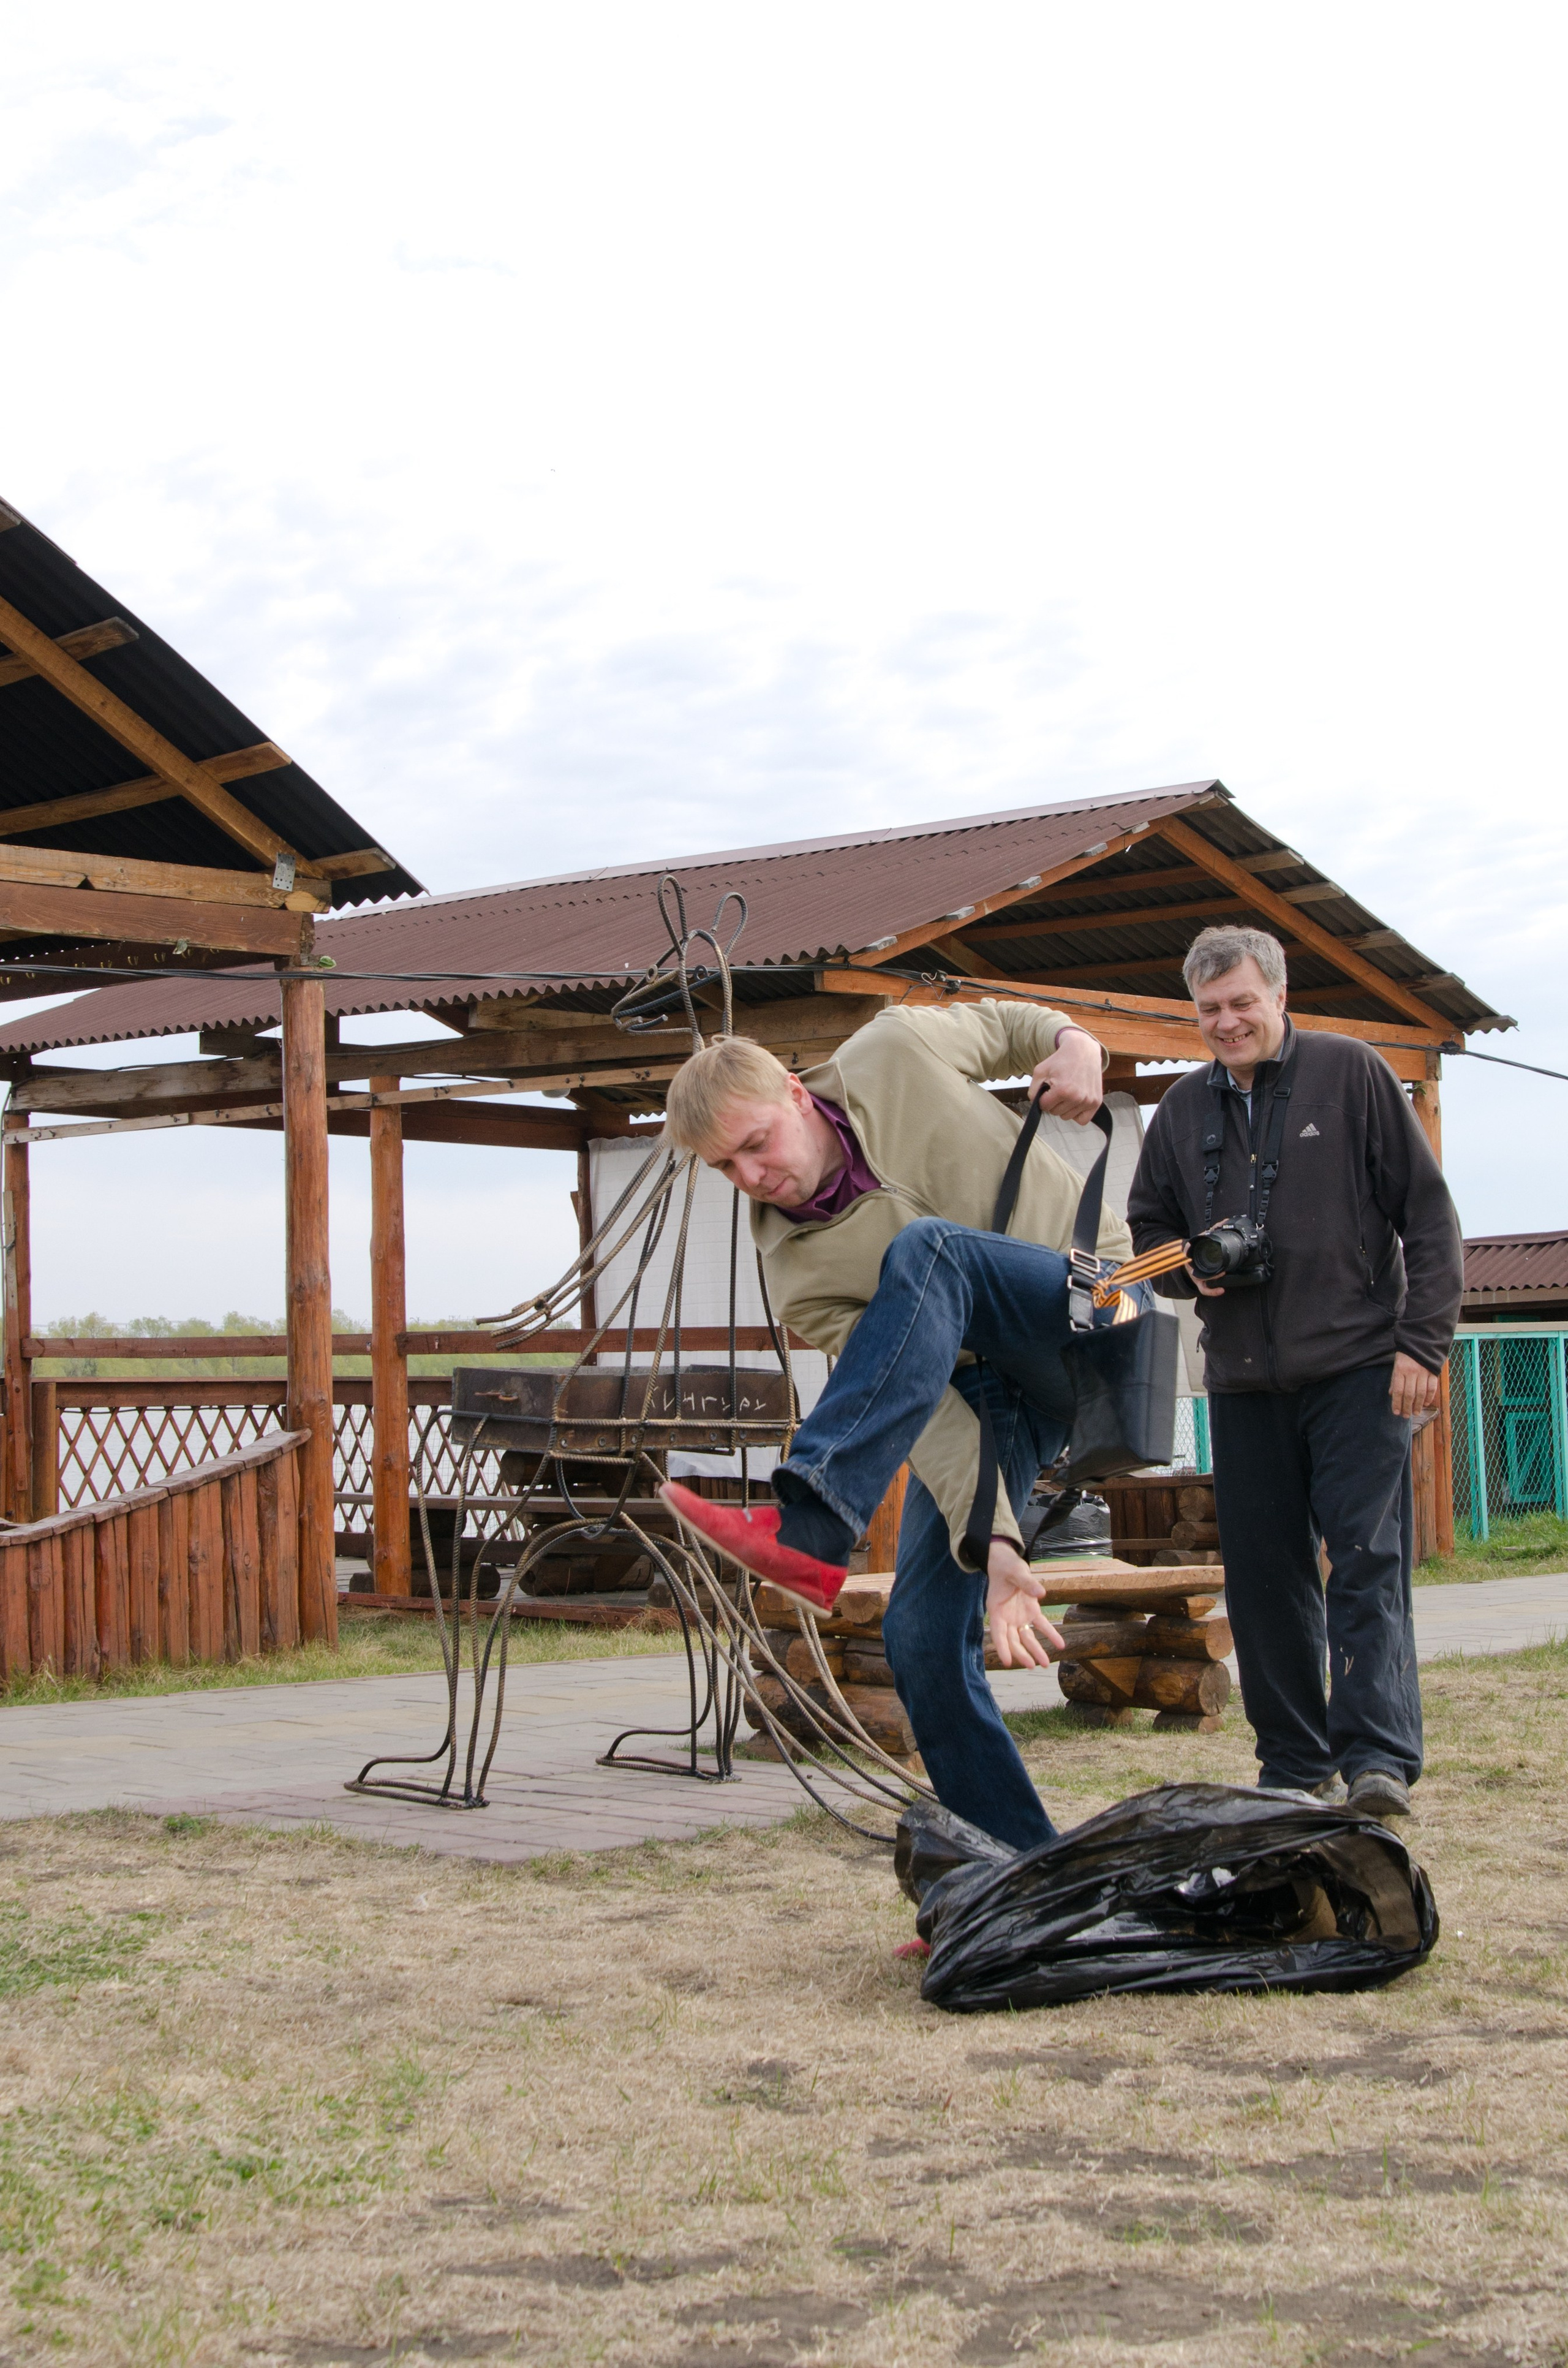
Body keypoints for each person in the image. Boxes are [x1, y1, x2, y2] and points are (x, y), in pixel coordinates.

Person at [655, 997, 1141, 1852]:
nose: (752, 1177)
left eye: (757, 1143)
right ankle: (1014, 1869)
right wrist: (994, 1537)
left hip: (1092, 1305)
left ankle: (809, 1525)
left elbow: (1015, 1027)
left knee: (926, 1251)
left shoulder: (894, 1045)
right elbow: (930, 1416)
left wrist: (1078, 1045)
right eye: (725, 1167)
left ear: (799, 1096)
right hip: (998, 1396)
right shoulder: (798, 1277)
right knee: (918, 1636)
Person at [1124, 924, 1463, 1820]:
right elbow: (1150, 1223)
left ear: (1280, 995)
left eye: (1242, 1002)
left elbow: (1429, 1220)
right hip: (1240, 1377)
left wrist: (1421, 1345)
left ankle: (1378, 1763)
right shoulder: (1183, 1111)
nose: (1227, 1022)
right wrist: (1185, 1263)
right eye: (1210, 1010)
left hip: (1359, 1366)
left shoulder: (1352, 1075)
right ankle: (1292, 1761)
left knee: (1364, 1561)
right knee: (1263, 1578)